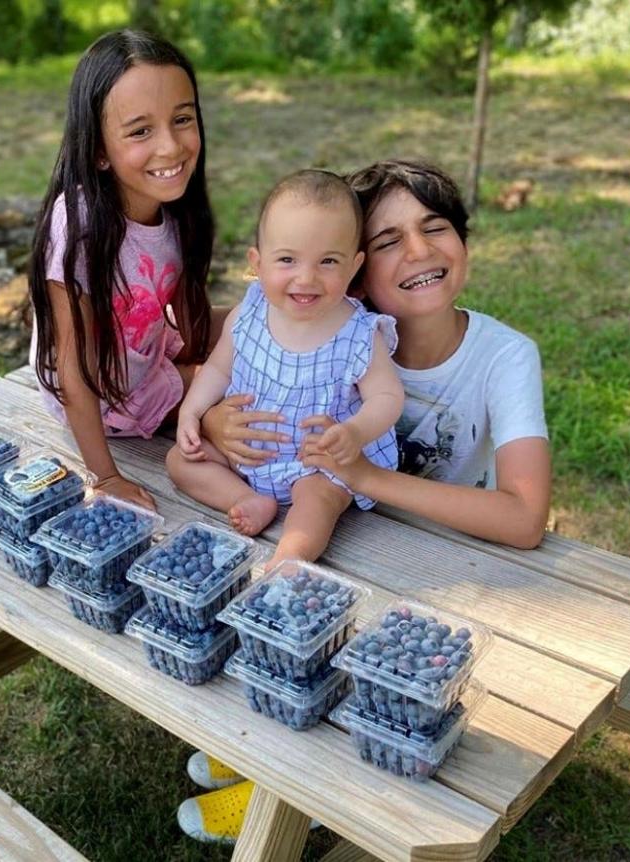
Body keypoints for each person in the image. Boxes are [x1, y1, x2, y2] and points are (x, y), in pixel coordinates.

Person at [178, 160, 551, 843]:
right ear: (360, 269)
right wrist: (207, 420)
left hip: (441, 555)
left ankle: (295, 796)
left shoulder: (500, 356)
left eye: (435, 228)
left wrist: (368, 477)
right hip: (313, 509)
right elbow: (217, 353)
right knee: (286, 622)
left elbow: (526, 517)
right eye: (389, 241)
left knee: (374, 668)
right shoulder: (311, 314)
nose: (417, 252)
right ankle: (256, 756)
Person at [167, 169, 404, 567]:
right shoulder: (252, 310)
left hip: (317, 462)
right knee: (180, 460)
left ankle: (289, 559)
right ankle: (245, 499)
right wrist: (192, 412)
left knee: (319, 499)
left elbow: (387, 396)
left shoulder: (358, 333)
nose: (306, 278)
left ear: (353, 266)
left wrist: (354, 431)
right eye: (287, 260)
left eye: (328, 261)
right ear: (257, 263)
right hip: (246, 452)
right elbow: (219, 368)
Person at [29, 29, 223, 512]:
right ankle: (209, 421)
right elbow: (74, 368)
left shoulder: (177, 209)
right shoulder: (80, 228)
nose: (171, 147)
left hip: (144, 350)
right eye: (140, 131)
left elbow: (187, 310)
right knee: (237, 401)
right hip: (102, 392)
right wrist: (105, 476)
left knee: (264, 321)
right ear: (98, 150)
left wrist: (206, 359)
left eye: (182, 119)